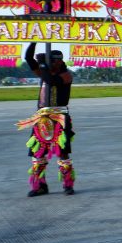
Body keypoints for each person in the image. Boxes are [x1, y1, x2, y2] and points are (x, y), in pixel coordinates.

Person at [18, 42, 76, 196]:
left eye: (53, 61)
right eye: (49, 62)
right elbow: (29, 58)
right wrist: (34, 41)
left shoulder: (66, 75)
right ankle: (40, 186)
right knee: (38, 153)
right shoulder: (44, 72)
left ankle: (68, 184)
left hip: (60, 118)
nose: (51, 64)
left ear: (60, 61)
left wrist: (43, 65)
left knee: (63, 153)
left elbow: (52, 81)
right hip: (42, 118)